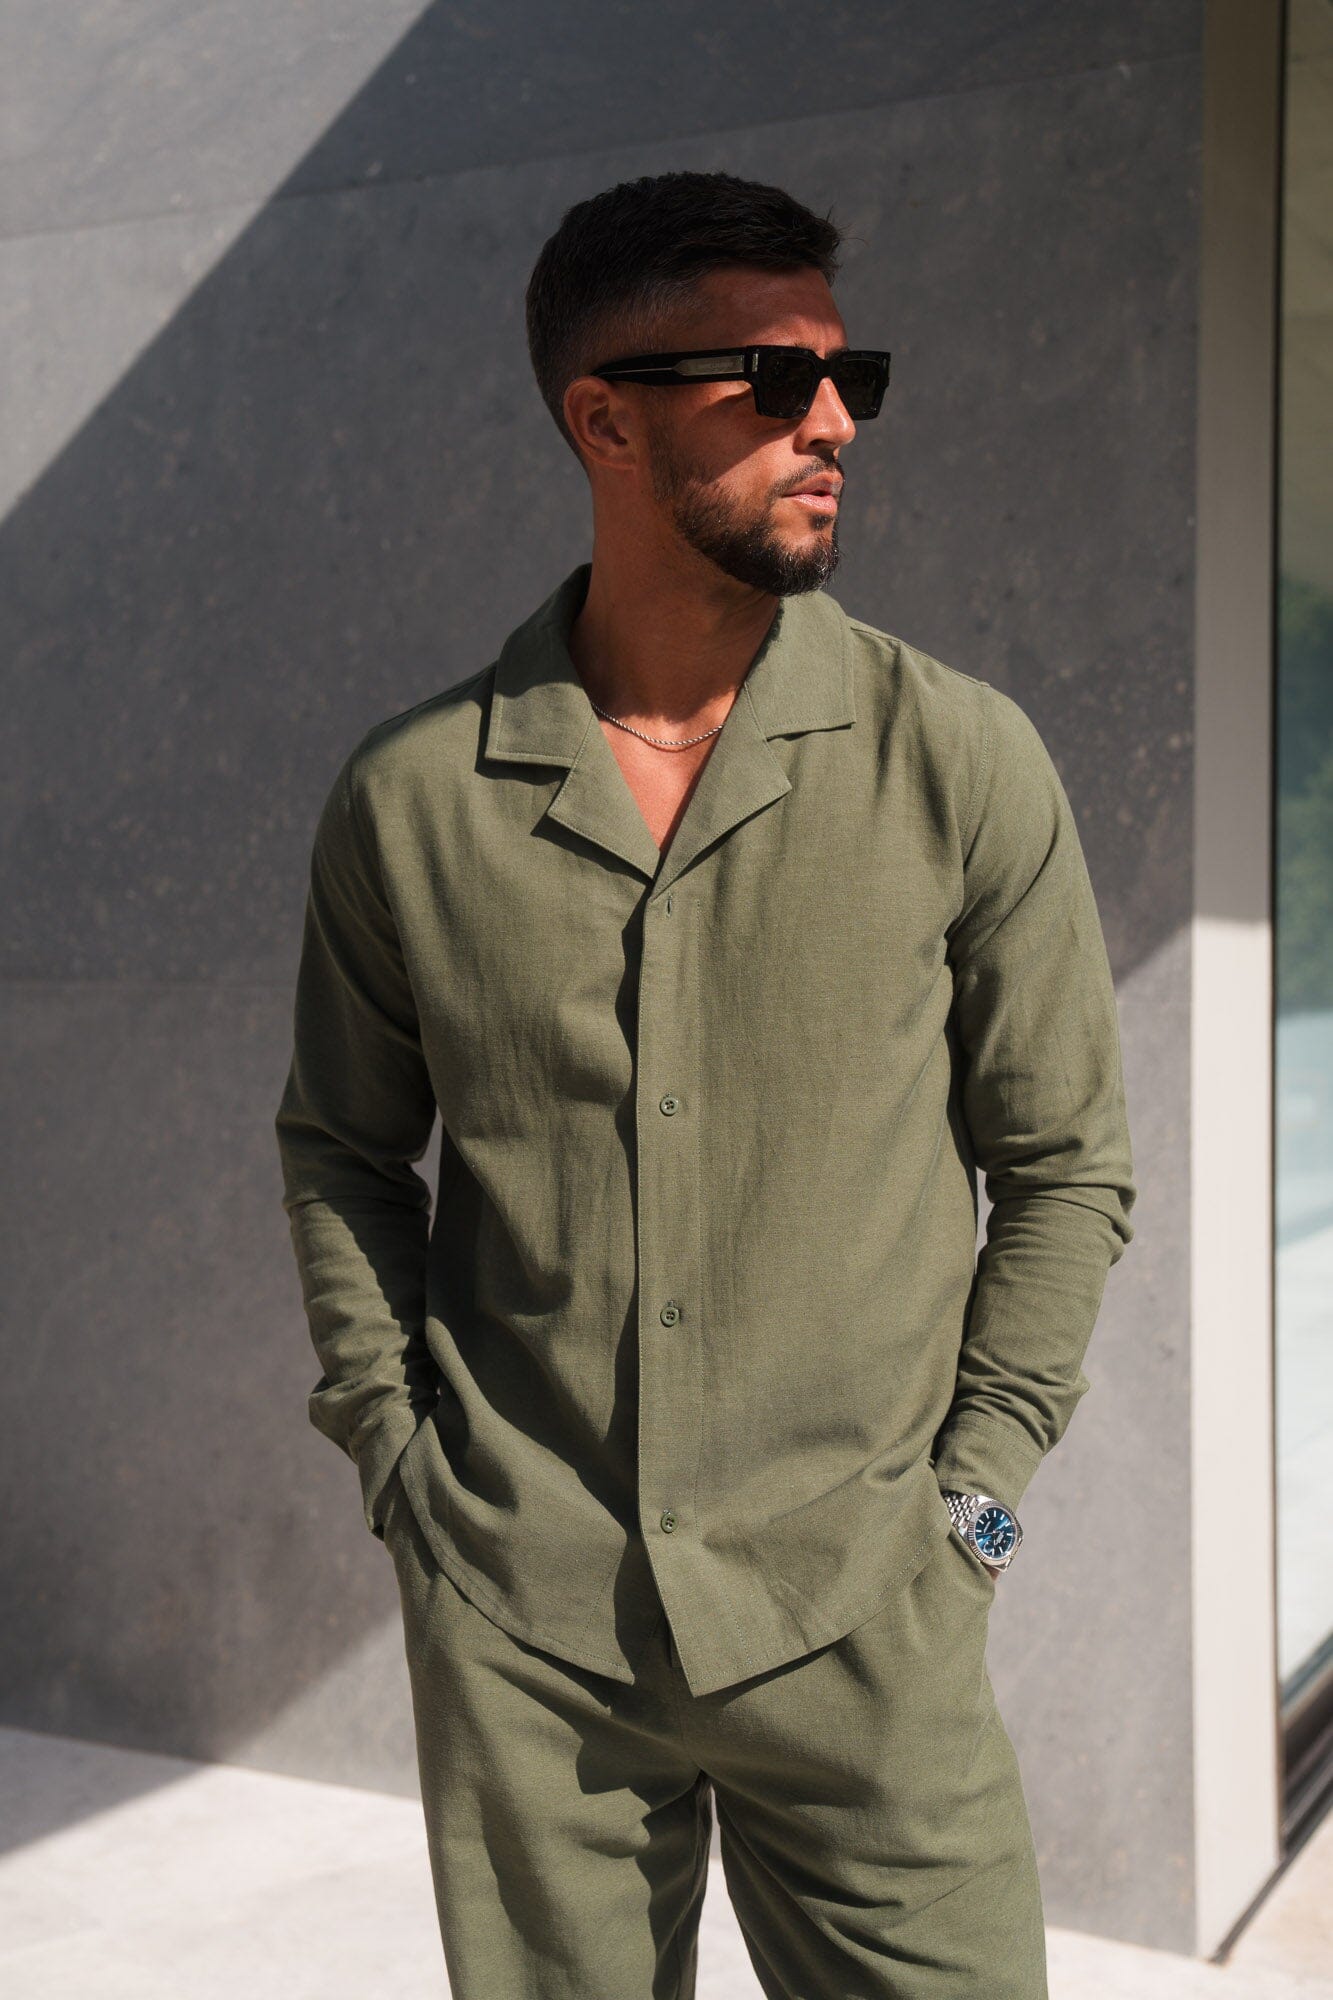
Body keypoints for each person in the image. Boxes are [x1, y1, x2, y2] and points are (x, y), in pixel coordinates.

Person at [274, 168, 1136, 2000]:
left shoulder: (958, 760)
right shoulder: (410, 800)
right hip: (529, 1631)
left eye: (847, 377)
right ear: (605, 421)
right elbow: (343, 1149)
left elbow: (1065, 1166)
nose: (834, 424)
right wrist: (400, 1466)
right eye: (774, 380)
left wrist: (971, 1512)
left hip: (869, 1617)